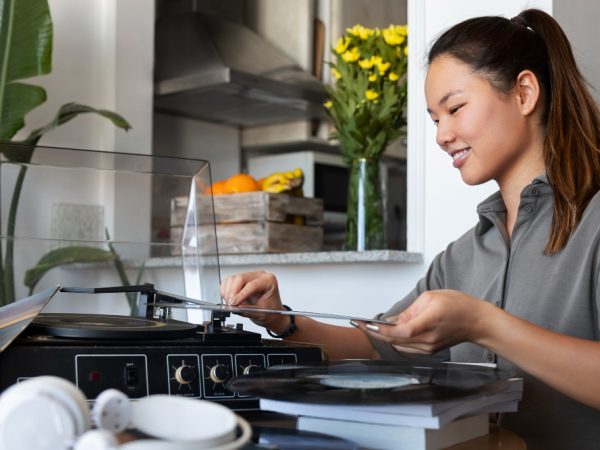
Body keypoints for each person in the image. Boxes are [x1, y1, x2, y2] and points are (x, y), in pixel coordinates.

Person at [220, 9, 600, 450]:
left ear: (524, 93)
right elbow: (376, 343)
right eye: (436, 119)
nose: (441, 135)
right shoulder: (462, 256)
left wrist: (483, 324)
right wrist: (282, 318)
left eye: (455, 108)